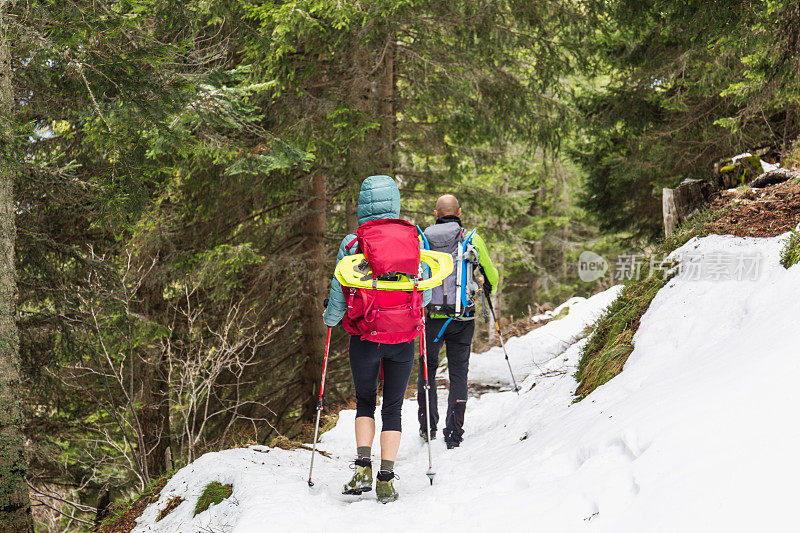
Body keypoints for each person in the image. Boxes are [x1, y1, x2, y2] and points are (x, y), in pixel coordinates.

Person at [323, 175, 431, 503]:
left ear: (362, 204)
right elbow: (423, 296)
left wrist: (330, 318)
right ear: (394, 201)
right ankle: (386, 478)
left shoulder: (353, 242)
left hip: (365, 337)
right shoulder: (415, 237)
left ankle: (361, 469)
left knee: (366, 401)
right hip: (402, 338)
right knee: (394, 407)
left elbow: (340, 287)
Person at [418, 194, 499, 449]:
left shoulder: (422, 239)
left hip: (431, 316)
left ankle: (427, 427)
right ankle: (454, 432)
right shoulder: (471, 238)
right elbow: (491, 274)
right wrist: (489, 290)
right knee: (459, 373)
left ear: (436, 213)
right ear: (459, 211)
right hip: (462, 317)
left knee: (427, 370)